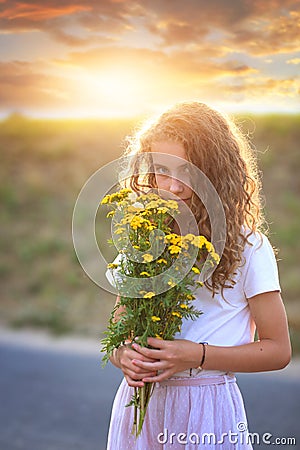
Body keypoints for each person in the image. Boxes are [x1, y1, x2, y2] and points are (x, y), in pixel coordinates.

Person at [105, 102, 291, 449]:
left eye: (187, 172)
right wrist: (125, 357)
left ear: (214, 172)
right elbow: (119, 332)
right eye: (162, 170)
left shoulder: (247, 246)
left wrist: (197, 355)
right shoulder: (145, 238)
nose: (172, 186)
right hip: (140, 410)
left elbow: (278, 350)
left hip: (206, 409)